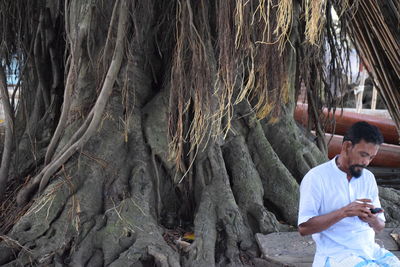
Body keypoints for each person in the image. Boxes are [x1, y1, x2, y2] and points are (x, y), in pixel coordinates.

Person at [298, 121, 400, 266]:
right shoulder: (316, 178)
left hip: (369, 251)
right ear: (346, 146)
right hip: (335, 256)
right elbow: (304, 228)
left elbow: (379, 226)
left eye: (371, 157)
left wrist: (371, 219)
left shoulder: (368, 178)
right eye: (363, 155)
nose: (366, 162)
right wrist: (344, 212)